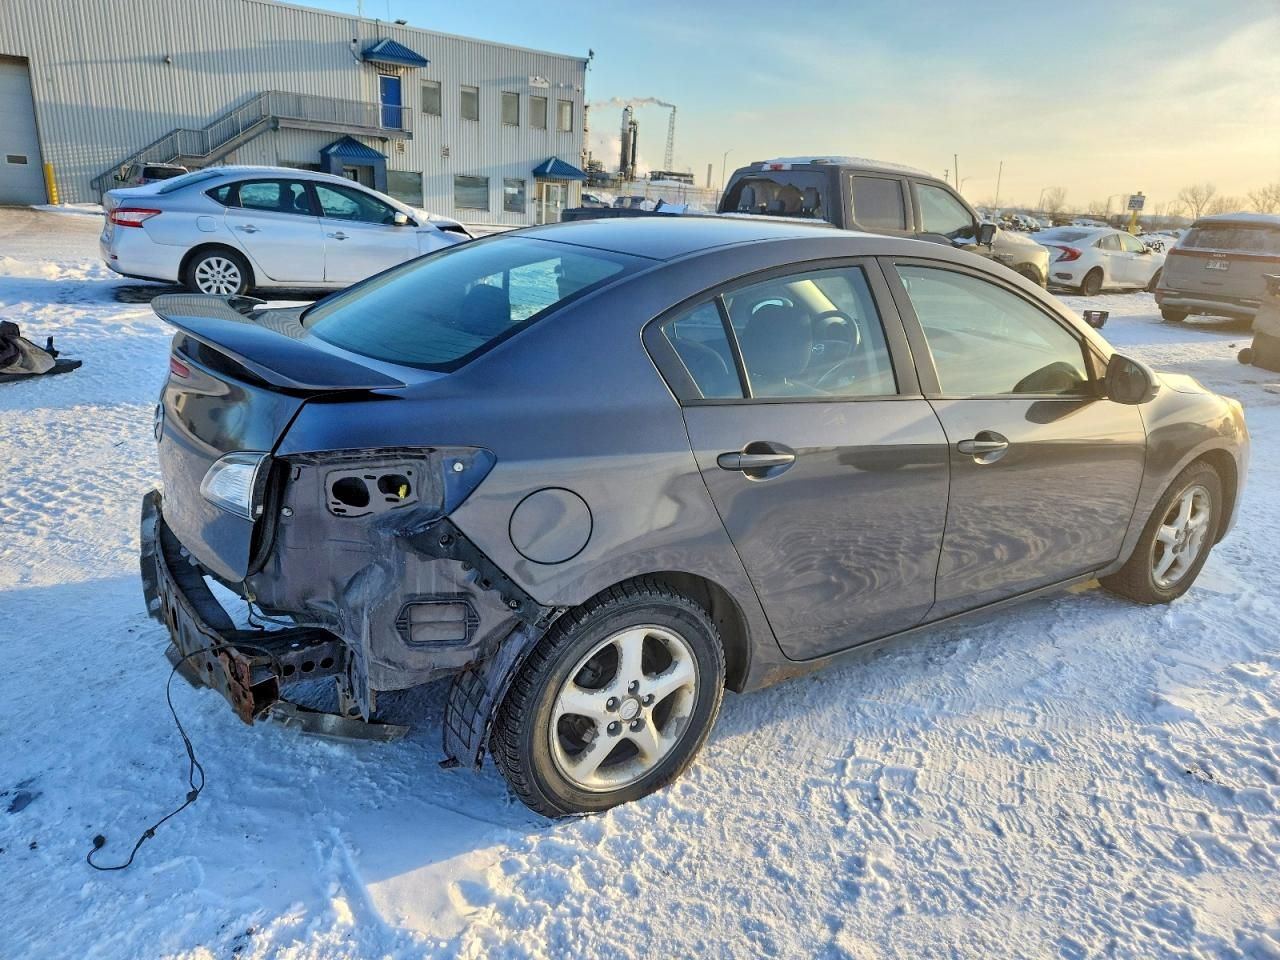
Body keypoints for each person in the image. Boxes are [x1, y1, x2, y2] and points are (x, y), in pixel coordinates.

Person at [0, 321, 82, 382]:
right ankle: (49, 351)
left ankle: (49, 352)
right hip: (13, 353)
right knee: (36, 355)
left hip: (15, 356)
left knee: (39, 358)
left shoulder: (9, 346)